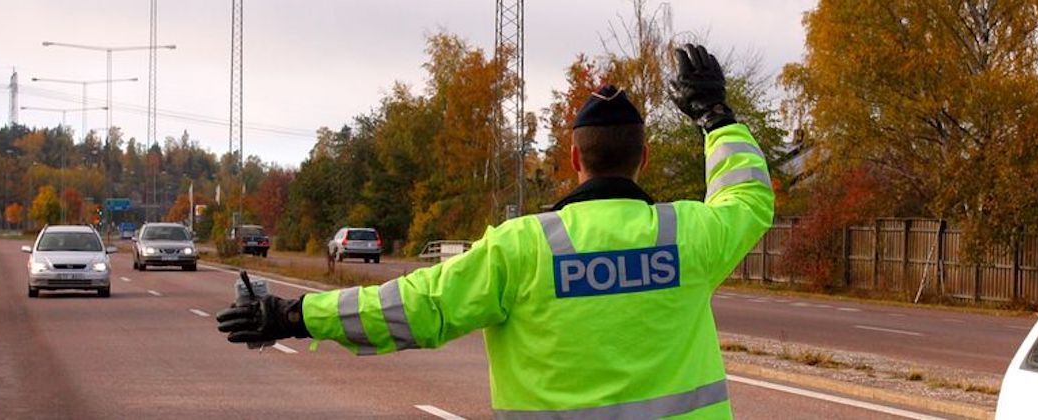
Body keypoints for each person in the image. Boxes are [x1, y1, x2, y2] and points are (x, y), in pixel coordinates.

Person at [217, 43, 773, 419]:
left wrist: (290, 316)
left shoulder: (523, 247)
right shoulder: (687, 236)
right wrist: (714, 115)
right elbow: (746, 195)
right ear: (644, 156)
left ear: (573, 158)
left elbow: (417, 307)